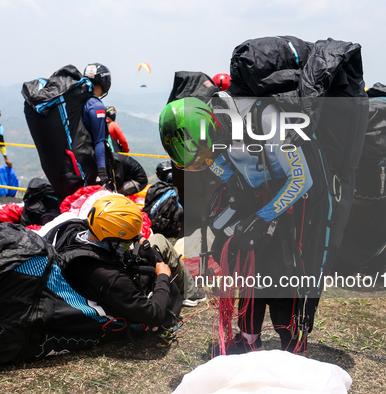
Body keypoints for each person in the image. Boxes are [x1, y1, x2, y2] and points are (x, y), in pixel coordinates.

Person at [159, 96, 317, 355]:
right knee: (247, 273)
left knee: (282, 274)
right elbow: (227, 169)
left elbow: (301, 180)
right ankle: (248, 340)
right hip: (253, 199)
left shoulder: (267, 118)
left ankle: (292, 344)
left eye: (206, 153)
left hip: (290, 203)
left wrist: (262, 217)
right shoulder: (214, 129)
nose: (207, 159)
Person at [45, 194, 199, 336]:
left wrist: (138, 241)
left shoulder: (73, 230)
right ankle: (191, 294)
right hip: (118, 295)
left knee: (154, 242)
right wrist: (163, 278)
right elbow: (154, 316)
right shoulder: (110, 277)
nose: (130, 242)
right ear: (112, 240)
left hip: (93, 284)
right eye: (127, 240)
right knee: (159, 239)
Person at [82, 63, 113, 186]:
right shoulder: (96, 106)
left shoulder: (81, 102)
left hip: (77, 162)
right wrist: (102, 172)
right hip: (91, 166)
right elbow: (99, 141)